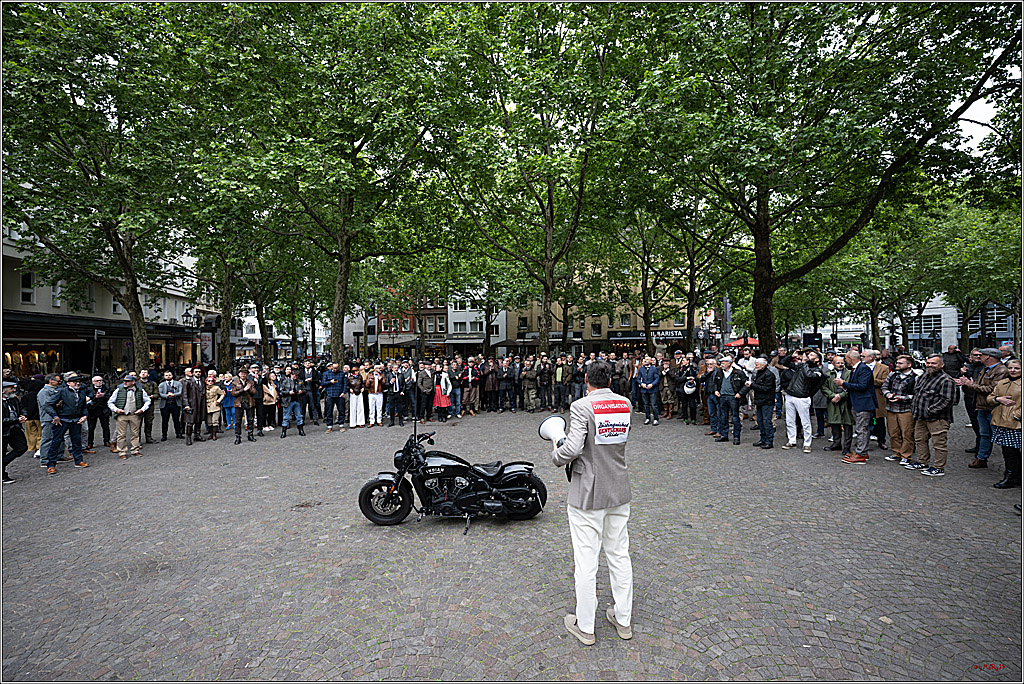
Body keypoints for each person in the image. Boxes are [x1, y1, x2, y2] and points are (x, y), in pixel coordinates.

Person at [549, 360, 633, 646]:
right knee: (619, 555)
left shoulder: (582, 406)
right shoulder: (625, 404)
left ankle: (586, 626)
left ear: (586, 379)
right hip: (619, 488)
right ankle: (623, 621)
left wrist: (556, 453)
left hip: (588, 492)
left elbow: (572, 449)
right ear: (609, 379)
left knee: (586, 561)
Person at [955, 348, 1009, 470]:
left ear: (988, 357)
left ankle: (1011, 466)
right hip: (982, 406)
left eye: (982, 355)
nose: (979, 357)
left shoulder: (1001, 370)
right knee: (984, 434)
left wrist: (970, 385)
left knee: (1001, 436)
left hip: (993, 408)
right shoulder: (985, 369)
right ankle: (981, 458)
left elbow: (991, 389)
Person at [906, 354, 958, 476]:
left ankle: (938, 467)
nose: (930, 365)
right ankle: (922, 461)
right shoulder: (924, 376)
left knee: (939, 444)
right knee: (920, 439)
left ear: (942, 365)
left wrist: (930, 410)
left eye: (933, 363)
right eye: (928, 363)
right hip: (921, 416)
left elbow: (948, 401)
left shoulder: (946, 380)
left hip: (938, 418)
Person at [42, 373, 90, 474]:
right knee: (56, 442)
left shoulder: (81, 392)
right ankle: (51, 464)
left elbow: (83, 406)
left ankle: (78, 460)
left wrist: (84, 416)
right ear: (68, 383)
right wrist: (55, 416)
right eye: (75, 382)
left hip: (75, 420)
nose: (77, 383)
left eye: (79, 382)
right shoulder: (61, 391)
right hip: (62, 420)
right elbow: (47, 404)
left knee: (77, 441)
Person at [780, 350, 826, 453]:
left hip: (802, 397)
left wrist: (805, 363)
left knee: (805, 422)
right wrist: (791, 356)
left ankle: (807, 443)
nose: (807, 356)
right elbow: (784, 363)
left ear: (817, 359)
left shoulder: (817, 371)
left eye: (811, 355)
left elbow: (808, 376)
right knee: (790, 420)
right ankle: (791, 440)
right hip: (790, 395)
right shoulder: (801, 366)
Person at [837, 350, 878, 464]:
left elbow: (862, 386)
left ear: (851, 359)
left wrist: (843, 383)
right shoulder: (856, 369)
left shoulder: (863, 369)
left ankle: (861, 454)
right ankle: (861, 451)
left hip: (863, 404)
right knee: (860, 428)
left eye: (846, 358)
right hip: (857, 403)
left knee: (862, 429)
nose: (845, 361)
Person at [990, 359, 1021, 489]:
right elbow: (989, 398)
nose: (1013, 370)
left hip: (1016, 423)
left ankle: (1013, 477)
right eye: (1011, 368)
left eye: (1017, 368)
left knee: (1014, 453)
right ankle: (1012, 476)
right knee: (1008, 452)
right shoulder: (1002, 383)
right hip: (1001, 422)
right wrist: (998, 399)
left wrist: (1017, 415)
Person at [881, 355, 917, 465]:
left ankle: (906, 455)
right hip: (891, 409)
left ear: (909, 365)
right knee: (893, 432)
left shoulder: (915, 377)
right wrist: (888, 395)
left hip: (906, 409)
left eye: (900, 363)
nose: (897, 365)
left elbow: (917, 394)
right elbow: (884, 387)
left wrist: (901, 398)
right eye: (897, 363)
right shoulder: (892, 375)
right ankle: (896, 453)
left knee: (907, 434)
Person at [107, 372, 151, 459]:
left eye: (127, 381)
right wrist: (116, 410)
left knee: (135, 433)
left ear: (133, 382)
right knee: (121, 434)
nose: (125, 382)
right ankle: (122, 452)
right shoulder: (118, 390)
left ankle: (135, 450)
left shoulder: (140, 390)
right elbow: (110, 402)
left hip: (134, 414)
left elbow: (148, 400)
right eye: (124, 381)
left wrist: (142, 409)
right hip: (122, 415)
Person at [821, 356, 853, 455]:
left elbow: (851, 386)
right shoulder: (827, 375)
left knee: (847, 424)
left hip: (846, 402)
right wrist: (833, 396)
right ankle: (836, 444)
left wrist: (841, 396)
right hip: (833, 402)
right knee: (834, 423)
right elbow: (824, 387)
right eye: (838, 363)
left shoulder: (850, 373)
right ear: (833, 364)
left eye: (842, 363)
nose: (840, 365)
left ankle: (847, 447)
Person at [713, 356, 748, 444]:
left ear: (729, 363)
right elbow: (715, 383)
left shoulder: (738, 373)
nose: (722, 364)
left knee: (735, 417)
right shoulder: (719, 372)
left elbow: (746, 384)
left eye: (724, 362)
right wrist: (716, 390)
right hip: (722, 397)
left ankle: (736, 437)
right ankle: (724, 435)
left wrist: (740, 393)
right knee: (723, 417)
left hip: (734, 397)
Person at [746, 358, 777, 448]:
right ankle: (763, 439)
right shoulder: (759, 373)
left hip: (767, 401)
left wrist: (752, 385)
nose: (755, 366)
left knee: (766, 421)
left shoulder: (769, 375)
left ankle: (769, 441)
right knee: (760, 421)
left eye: (757, 365)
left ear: (763, 365)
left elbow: (765, 388)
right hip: (760, 400)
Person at [3, 380, 28, 483]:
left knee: (22, 447)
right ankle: (3, 476)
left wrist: (23, 415)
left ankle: (2, 463)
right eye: (11, 388)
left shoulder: (14, 399)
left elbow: (22, 408)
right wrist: (16, 420)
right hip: (3, 430)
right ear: (3, 391)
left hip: (15, 428)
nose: (14, 390)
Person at [85, 375, 113, 454]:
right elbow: (87, 399)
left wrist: (103, 396)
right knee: (91, 427)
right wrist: (95, 397)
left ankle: (106, 441)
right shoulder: (89, 389)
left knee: (106, 426)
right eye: (97, 381)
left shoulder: (107, 388)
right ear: (93, 382)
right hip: (92, 410)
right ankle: (90, 443)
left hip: (103, 409)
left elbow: (111, 397)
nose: (99, 382)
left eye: (100, 380)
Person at [230, 368, 257, 444]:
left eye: (245, 373)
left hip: (249, 402)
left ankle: (250, 435)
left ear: (247, 374)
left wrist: (249, 389)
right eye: (242, 373)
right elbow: (233, 393)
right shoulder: (235, 382)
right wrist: (243, 390)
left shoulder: (251, 382)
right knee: (238, 421)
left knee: (250, 420)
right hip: (239, 403)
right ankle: (238, 437)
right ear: (239, 374)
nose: (243, 375)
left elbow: (254, 392)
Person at [182, 366, 207, 445]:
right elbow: (184, 394)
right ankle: (188, 437)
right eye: (196, 372)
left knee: (199, 420)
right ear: (192, 373)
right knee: (190, 422)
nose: (198, 373)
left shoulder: (202, 382)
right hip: (192, 404)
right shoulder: (188, 382)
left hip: (201, 404)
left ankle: (197, 434)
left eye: (199, 372)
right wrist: (186, 404)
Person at [320, 362, 347, 433]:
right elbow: (323, 383)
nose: (335, 369)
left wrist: (343, 392)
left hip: (339, 395)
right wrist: (330, 382)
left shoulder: (342, 373)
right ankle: (329, 426)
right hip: (330, 394)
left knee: (341, 410)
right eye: (334, 368)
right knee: (329, 411)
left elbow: (345, 384)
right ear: (331, 367)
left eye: (336, 368)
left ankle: (341, 425)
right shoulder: (326, 373)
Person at [636, 355, 659, 426]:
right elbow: (638, 378)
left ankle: (655, 419)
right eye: (645, 359)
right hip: (644, 389)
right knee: (645, 405)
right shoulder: (641, 369)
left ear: (650, 361)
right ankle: (647, 418)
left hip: (652, 389)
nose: (645, 360)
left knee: (653, 405)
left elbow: (657, 378)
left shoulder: (654, 369)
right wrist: (641, 383)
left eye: (647, 359)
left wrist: (652, 384)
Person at [137, 369, 159, 444]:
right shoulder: (136, 384)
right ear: (139, 374)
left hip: (150, 405)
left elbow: (157, 394)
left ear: (148, 375)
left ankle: (148, 437)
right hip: (139, 405)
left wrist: (152, 396)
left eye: (145, 372)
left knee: (149, 422)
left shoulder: (153, 383)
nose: (143, 374)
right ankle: (137, 439)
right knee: (138, 423)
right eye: (142, 372)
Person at [204, 375, 224, 440]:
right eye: (209, 381)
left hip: (215, 405)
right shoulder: (204, 388)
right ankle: (210, 433)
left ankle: (214, 435)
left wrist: (218, 401)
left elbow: (222, 394)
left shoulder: (216, 388)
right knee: (209, 421)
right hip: (207, 406)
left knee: (215, 421)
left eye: (212, 381)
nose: (210, 382)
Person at [348, 364, 366, 428]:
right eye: (356, 371)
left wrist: (363, 387)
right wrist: (349, 389)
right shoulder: (349, 377)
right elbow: (347, 385)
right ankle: (353, 423)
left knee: (360, 407)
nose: (358, 372)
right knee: (353, 408)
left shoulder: (360, 377)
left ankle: (360, 422)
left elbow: (362, 384)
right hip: (353, 393)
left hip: (359, 392)